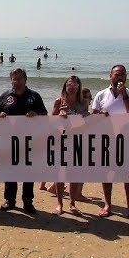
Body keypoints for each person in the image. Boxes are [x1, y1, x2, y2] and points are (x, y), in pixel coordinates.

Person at [0, 68, 47, 214]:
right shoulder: (5, 96)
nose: (16, 81)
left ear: (25, 80)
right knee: (10, 170)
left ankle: (28, 202)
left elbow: (45, 115)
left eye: (19, 78)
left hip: (30, 141)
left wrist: (36, 114)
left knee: (28, 172)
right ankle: (10, 200)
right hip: (10, 141)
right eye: (14, 78)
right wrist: (1, 115)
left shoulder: (34, 96)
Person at [92, 64, 129, 217]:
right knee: (107, 174)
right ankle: (107, 205)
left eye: (122, 74)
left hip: (126, 139)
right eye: (117, 74)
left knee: (127, 175)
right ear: (110, 76)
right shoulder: (101, 94)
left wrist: (124, 96)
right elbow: (92, 116)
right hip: (106, 140)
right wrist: (100, 112)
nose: (119, 77)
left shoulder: (128, 94)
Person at [51, 76, 88, 216]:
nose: (72, 87)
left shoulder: (83, 103)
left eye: (75, 84)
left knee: (75, 174)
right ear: (65, 87)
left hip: (78, 142)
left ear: (79, 87)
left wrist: (88, 115)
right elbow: (49, 122)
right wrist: (59, 116)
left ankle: (72, 203)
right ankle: (60, 203)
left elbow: (87, 123)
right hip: (61, 141)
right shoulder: (59, 101)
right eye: (69, 85)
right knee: (60, 173)